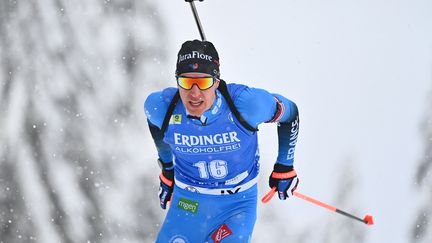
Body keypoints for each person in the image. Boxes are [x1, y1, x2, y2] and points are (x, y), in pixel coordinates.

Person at [144, 40, 300, 243]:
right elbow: (155, 123)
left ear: (217, 81)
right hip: (188, 202)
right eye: (186, 82)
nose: (194, 93)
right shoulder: (161, 107)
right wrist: (167, 169)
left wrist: (285, 165)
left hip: (236, 206)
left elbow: (291, 113)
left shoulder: (246, 105)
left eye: (203, 82)